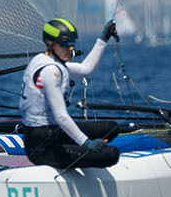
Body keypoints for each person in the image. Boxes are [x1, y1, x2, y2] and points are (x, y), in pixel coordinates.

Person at [20, 18, 122, 170]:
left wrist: (104, 38)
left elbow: (85, 69)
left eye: (72, 44)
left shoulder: (46, 60)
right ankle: (77, 154)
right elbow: (61, 116)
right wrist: (87, 143)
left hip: (54, 132)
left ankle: (75, 151)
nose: (71, 48)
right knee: (111, 154)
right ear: (50, 44)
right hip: (41, 145)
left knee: (112, 128)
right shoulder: (50, 71)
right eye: (65, 44)